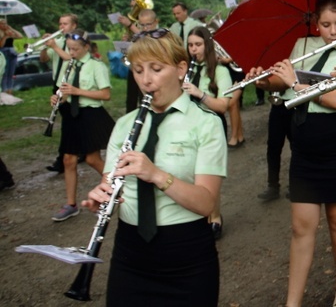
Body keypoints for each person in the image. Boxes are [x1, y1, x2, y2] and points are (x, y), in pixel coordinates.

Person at [81, 28, 226, 306]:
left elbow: (206, 204)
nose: (145, 80)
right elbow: (109, 183)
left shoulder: (206, 123)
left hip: (186, 256)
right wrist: (99, 197)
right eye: (137, 70)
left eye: (156, 69)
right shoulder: (124, 125)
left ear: (181, 68)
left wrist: (157, 175)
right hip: (130, 254)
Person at [247, 0, 336, 307]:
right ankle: (293, 302)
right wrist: (263, 81)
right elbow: (281, 80)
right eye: (326, 23)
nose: (332, 30)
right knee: (301, 226)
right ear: (316, 23)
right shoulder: (303, 46)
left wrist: (294, 85)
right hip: (305, 147)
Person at [51, 29, 115, 222]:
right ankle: (71, 204)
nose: (72, 53)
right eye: (69, 49)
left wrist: (77, 91)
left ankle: (117, 187)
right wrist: (57, 98)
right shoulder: (67, 65)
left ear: (86, 47)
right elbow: (63, 91)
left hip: (91, 115)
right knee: (68, 160)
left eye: (75, 49)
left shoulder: (96, 66)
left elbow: (105, 95)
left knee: (92, 159)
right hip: (72, 114)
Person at [182, 26, 232, 239]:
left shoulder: (220, 71)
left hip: (211, 126)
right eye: (191, 45)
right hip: (187, 125)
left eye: (198, 45)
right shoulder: (184, 70)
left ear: (207, 45)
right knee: (189, 174)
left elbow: (223, 106)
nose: (194, 50)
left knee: (208, 176)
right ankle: (197, 217)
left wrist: (199, 93)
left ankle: (215, 217)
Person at [40, 13, 78, 173]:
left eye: (65, 24)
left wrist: (54, 46)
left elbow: (71, 59)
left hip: (71, 87)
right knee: (70, 123)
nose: (61, 27)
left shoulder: (76, 41)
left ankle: (62, 160)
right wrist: (43, 46)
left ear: (74, 26)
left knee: (69, 124)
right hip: (57, 85)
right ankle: (77, 151)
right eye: (60, 23)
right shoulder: (59, 41)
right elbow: (43, 60)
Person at [0, 18, 23, 95]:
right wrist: (5, 36)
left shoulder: (9, 31)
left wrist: (11, 28)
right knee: (5, 72)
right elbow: (1, 45)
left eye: (5, 23)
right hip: (3, 52)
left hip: (11, 51)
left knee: (11, 72)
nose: (4, 25)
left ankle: (10, 89)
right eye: (2, 23)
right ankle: (4, 90)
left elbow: (20, 36)